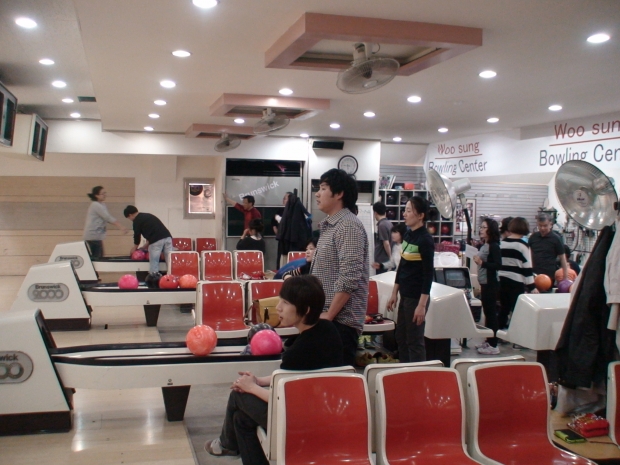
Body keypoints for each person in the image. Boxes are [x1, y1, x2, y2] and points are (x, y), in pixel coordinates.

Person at [204, 275, 344, 465]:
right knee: (241, 419)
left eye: (285, 302)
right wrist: (259, 380)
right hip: (330, 413)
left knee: (239, 395)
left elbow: (283, 398)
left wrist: (251, 387)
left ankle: (227, 444)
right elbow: (296, 376)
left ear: (306, 310)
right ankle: (228, 445)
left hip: (300, 420)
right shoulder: (329, 330)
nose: (278, 307)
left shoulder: (297, 353)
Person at [310, 168, 369, 367]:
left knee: (335, 381)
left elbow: (349, 277)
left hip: (340, 323)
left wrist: (329, 315)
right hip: (328, 320)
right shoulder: (331, 226)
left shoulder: (348, 226)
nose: (317, 194)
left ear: (339, 194)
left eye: (323, 188)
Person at [387, 197, 435, 363]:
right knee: (401, 337)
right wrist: (394, 292)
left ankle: (417, 373)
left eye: (408, 211)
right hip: (405, 295)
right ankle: (404, 369)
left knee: (414, 340)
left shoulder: (425, 240)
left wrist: (421, 305)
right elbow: (402, 266)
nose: (404, 214)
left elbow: (428, 275)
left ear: (420, 215)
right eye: (405, 210)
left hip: (416, 298)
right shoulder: (408, 234)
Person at [497, 217, 536, 331]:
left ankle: (498, 333)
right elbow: (527, 267)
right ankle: (515, 334)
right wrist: (532, 286)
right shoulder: (523, 246)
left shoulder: (501, 243)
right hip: (516, 281)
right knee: (516, 310)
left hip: (501, 279)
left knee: (504, 308)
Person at [473, 218, 502, 355]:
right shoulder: (485, 245)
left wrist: (482, 263)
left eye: (484, 227)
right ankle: (489, 340)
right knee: (487, 312)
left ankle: (494, 344)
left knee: (491, 314)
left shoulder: (494, 246)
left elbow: (498, 264)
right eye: (481, 227)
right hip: (484, 283)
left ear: (491, 230)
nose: (481, 229)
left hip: (491, 283)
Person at [123, 205, 173, 276]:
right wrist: (143, 247)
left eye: (129, 218)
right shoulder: (148, 216)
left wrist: (134, 248)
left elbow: (137, 236)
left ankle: (154, 278)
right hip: (167, 238)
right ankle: (172, 277)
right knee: (170, 261)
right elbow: (153, 234)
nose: (130, 219)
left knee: (154, 262)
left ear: (130, 215)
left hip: (156, 241)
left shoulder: (136, 221)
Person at [82, 186, 128, 259]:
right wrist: (120, 226)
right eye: (102, 193)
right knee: (97, 257)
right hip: (92, 235)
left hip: (97, 235)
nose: (105, 195)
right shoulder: (95, 205)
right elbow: (107, 217)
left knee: (98, 256)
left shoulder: (102, 205)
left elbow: (107, 218)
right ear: (96, 195)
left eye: (105, 193)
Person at [529, 213, 568, 285]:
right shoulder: (533, 237)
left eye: (545, 225)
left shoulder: (556, 239)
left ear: (550, 224)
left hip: (549, 274)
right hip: (534, 273)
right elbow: (529, 255)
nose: (542, 228)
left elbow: (562, 258)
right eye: (540, 225)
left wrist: (565, 278)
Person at [371, 201, 394, 275]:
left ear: (375, 213)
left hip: (383, 261)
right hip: (384, 260)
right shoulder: (389, 223)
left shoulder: (382, 225)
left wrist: (390, 258)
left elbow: (386, 243)